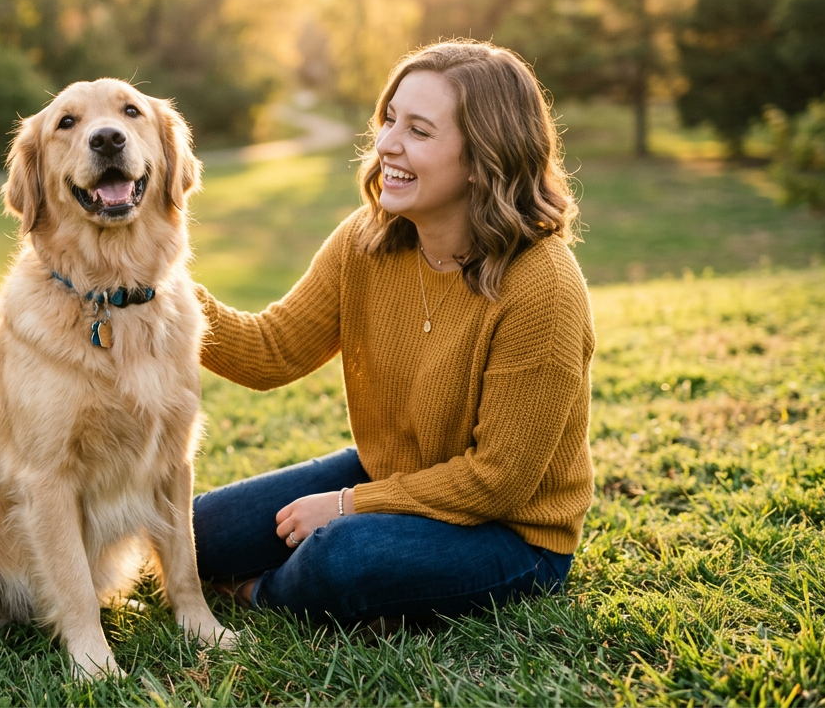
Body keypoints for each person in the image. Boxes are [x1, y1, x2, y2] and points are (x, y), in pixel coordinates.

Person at [191, 40, 594, 625]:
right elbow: (270, 351)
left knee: (341, 555)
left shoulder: (542, 286)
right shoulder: (367, 240)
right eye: (389, 119)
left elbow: (498, 482)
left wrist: (348, 505)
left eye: (419, 131)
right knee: (201, 530)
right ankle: (335, 588)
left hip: (512, 534)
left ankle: (264, 593)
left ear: (484, 157)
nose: (385, 144)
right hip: (395, 474)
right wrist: (164, 292)